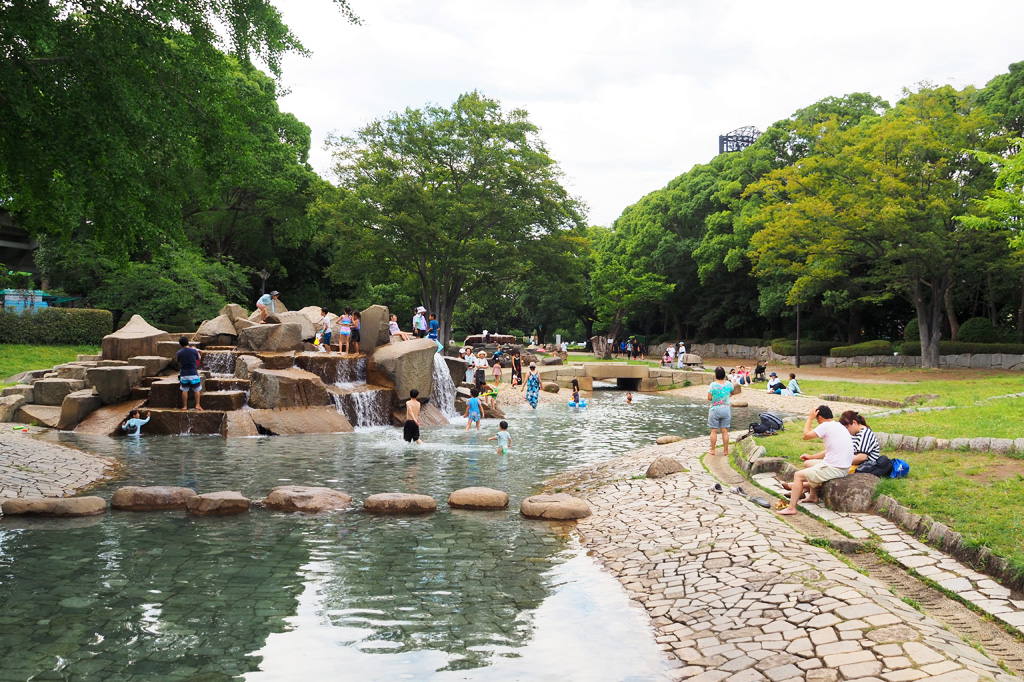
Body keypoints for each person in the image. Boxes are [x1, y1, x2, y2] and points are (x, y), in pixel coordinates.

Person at [778, 405, 854, 515]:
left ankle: (791, 508)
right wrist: (812, 457)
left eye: (816, 419)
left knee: (798, 476)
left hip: (835, 468)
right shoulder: (839, 426)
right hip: (843, 466)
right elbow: (830, 449)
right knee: (808, 463)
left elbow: (805, 436)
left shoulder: (825, 426)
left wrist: (810, 418)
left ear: (820, 417)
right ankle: (813, 496)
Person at [707, 366, 741, 457]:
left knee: (714, 431)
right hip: (726, 409)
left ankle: (713, 450)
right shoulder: (728, 384)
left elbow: (709, 398)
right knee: (725, 430)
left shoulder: (712, 385)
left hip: (715, 409)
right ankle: (726, 451)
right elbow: (732, 391)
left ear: (715, 375)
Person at [176, 336, 203, 411]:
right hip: (193, 373)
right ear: (188, 342)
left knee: (185, 390)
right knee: (197, 389)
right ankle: (197, 405)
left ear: (180, 344)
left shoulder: (179, 353)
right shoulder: (194, 351)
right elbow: (199, 358)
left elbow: (178, 361)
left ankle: (184, 406)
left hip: (184, 374)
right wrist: (199, 353)